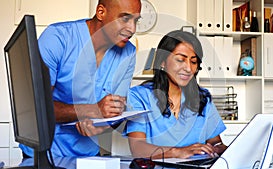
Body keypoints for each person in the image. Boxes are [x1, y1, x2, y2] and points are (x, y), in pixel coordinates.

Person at [20, 0, 141, 157]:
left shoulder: (128, 53)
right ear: (101, 12)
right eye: (125, 18)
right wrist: (92, 110)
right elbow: (36, 107)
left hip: (89, 155)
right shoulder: (58, 38)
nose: (132, 29)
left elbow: (115, 111)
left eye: (136, 20)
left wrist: (103, 126)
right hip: (45, 153)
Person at [123, 30, 227, 159]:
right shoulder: (139, 96)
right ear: (162, 62)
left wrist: (220, 148)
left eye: (193, 62)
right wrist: (178, 152)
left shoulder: (203, 98)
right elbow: (138, 149)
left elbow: (216, 142)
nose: (188, 68)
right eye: (180, 60)